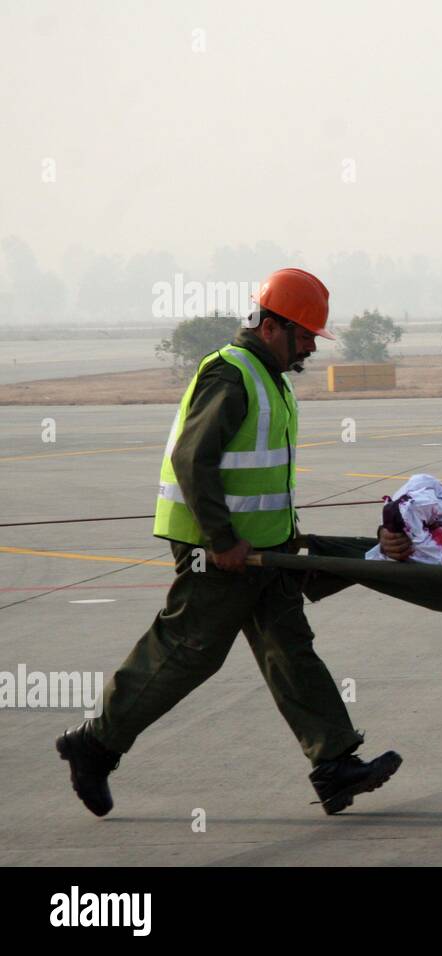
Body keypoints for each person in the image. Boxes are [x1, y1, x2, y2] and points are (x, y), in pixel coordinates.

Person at [57, 268, 402, 818]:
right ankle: (94, 744)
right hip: (218, 552)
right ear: (271, 326)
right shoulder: (232, 375)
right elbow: (192, 460)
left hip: (263, 550)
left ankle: (334, 764)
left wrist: (277, 539)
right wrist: (221, 539)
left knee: (289, 648)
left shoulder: (271, 376)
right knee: (188, 652)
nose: (311, 345)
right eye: (305, 334)